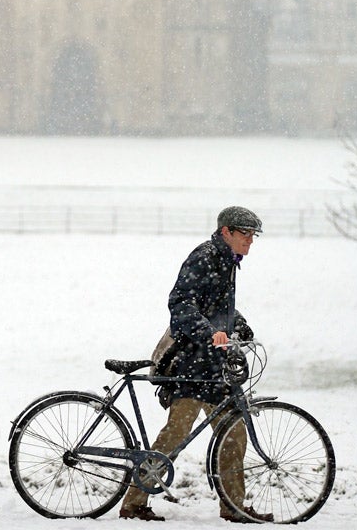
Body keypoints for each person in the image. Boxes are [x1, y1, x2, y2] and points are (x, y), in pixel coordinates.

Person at [119, 206, 268, 524]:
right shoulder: (204, 257)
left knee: (234, 432)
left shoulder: (227, 261)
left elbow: (215, 306)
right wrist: (209, 333)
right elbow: (181, 303)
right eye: (246, 233)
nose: (251, 241)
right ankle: (133, 503)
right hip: (191, 364)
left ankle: (234, 506)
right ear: (226, 232)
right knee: (176, 434)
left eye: (253, 235)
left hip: (213, 366)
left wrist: (240, 328)